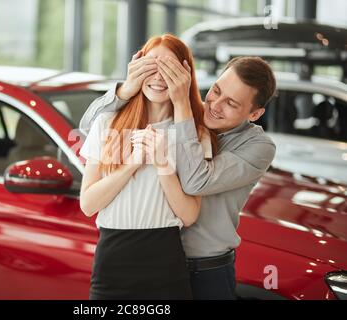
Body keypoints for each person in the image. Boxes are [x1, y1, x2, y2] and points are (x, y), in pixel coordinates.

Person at [80, 50, 277, 299]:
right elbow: (89, 128)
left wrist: (183, 104)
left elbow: (197, 181)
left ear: (254, 114)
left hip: (207, 270)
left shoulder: (257, 147)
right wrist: (126, 90)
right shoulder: (190, 116)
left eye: (231, 103)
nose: (214, 106)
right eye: (216, 91)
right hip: (156, 262)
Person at [79, 34, 215, 300]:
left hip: (165, 263)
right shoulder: (108, 123)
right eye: (151, 65)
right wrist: (133, 163)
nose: (158, 76)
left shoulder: (195, 135)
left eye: (169, 67)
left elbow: (189, 216)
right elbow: (88, 204)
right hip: (113, 261)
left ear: (185, 73)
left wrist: (162, 162)